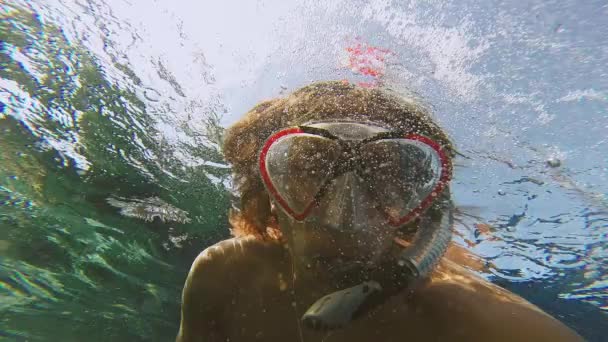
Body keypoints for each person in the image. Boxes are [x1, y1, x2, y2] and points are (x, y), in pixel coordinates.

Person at [176, 81, 582, 342]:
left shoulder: (481, 326)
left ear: (423, 212)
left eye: (386, 177)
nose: (344, 218)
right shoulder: (224, 276)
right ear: (266, 191)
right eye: (308, 170)